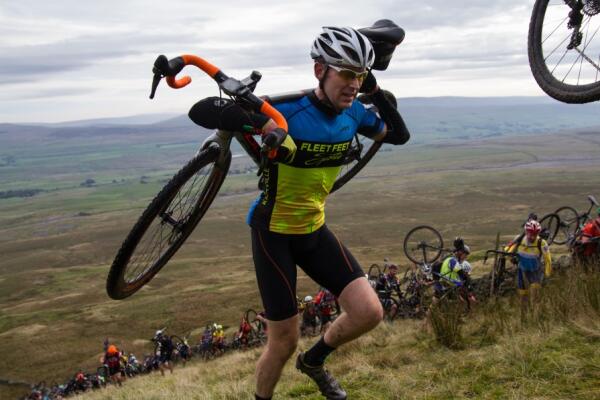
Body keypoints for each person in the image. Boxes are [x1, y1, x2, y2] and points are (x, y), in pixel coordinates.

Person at [188, 22, 409, 399]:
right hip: (273, 233)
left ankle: (314, 361)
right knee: (283, 341)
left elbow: (399, 134)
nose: (353, 84)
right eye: (346, 73)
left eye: (360, 75)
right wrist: (262, 124)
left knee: (368, 312)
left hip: (313, 230)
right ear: (319, 70)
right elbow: (202, 110)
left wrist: (374, 89)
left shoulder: (354, 114)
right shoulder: (289, 109)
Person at [506, 220, 552, 318]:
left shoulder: (542, 243)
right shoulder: (519, 239)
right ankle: (524, 317)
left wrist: (547, 273)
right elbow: (508, 250)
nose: (532, 237)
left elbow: (548, 259)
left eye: (535, 234)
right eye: (530, 234)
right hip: (522, 270)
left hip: (535, 271)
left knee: (535, 294)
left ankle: (535, 316)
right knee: (523, 296)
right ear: (526, 232)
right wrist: (511, 258)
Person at [434, 238, 475, 307]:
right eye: (465, 255)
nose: (466, 257)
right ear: (461, 252)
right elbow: (461, 274)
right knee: (460, 302)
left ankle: (427, 317)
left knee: (435, 301)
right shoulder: (453, 261)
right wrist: (469, 292)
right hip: (447, 284)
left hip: (443, 282)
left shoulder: (449, 259)